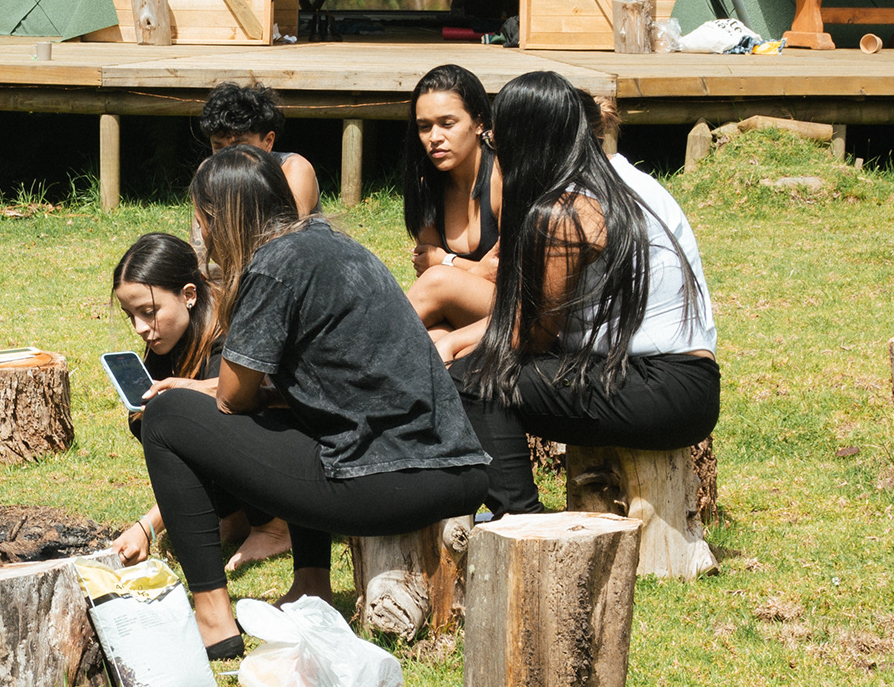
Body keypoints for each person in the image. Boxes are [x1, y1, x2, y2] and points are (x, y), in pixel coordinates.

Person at [139, 148, 489, 653]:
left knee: (165, 417)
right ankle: (310, 586)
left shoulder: (271, 266)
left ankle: (213, 620)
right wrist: (207, 387)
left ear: (223, 217)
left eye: (202, 221)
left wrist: (194, 392)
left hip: (389, 482)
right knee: (292, 407)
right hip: (458, 472)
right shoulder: (331, 243)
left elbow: (234, 398)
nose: (202, 236)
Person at [445, 70, 719, 515]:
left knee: (474, 382)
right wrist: (458, 341)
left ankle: (522, 520)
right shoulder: (624, 177)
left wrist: (455, 351)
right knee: (471, 365)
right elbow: (527, 316)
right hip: (687, 384)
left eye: (496, 141)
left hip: (660, 387)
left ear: (525, 141)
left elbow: (535, 335)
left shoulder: (567, 211)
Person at [107, 233, 287, 573]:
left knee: (203, 421)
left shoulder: (229, 335)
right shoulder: (171, 338)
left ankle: (274, 527)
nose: (140, 328)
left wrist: (147, 526)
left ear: (189, 295)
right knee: (147, 418)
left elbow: (207, 441)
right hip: (249, 461)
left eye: (149, 312)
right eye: (130, 315)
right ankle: (235, 515)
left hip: (289, 455)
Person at [403, 64, 502, 347]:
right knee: (430, 344)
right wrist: (471, 270)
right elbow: (427, 264)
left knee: (439, 281)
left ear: (479, 123)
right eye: (424, 127)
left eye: (447, 124)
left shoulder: (501, 178)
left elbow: (507, 274)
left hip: (513, 310)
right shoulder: (426, 186)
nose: (434, 137)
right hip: (459, 310)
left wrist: (445, 262)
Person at [196, 80, 320, 217]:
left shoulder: (293, 169)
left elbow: (291, 228)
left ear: (268, 141)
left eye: (239, 147)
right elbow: (200, 229)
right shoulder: (209, 172)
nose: (227, 157)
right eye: (219, 148)